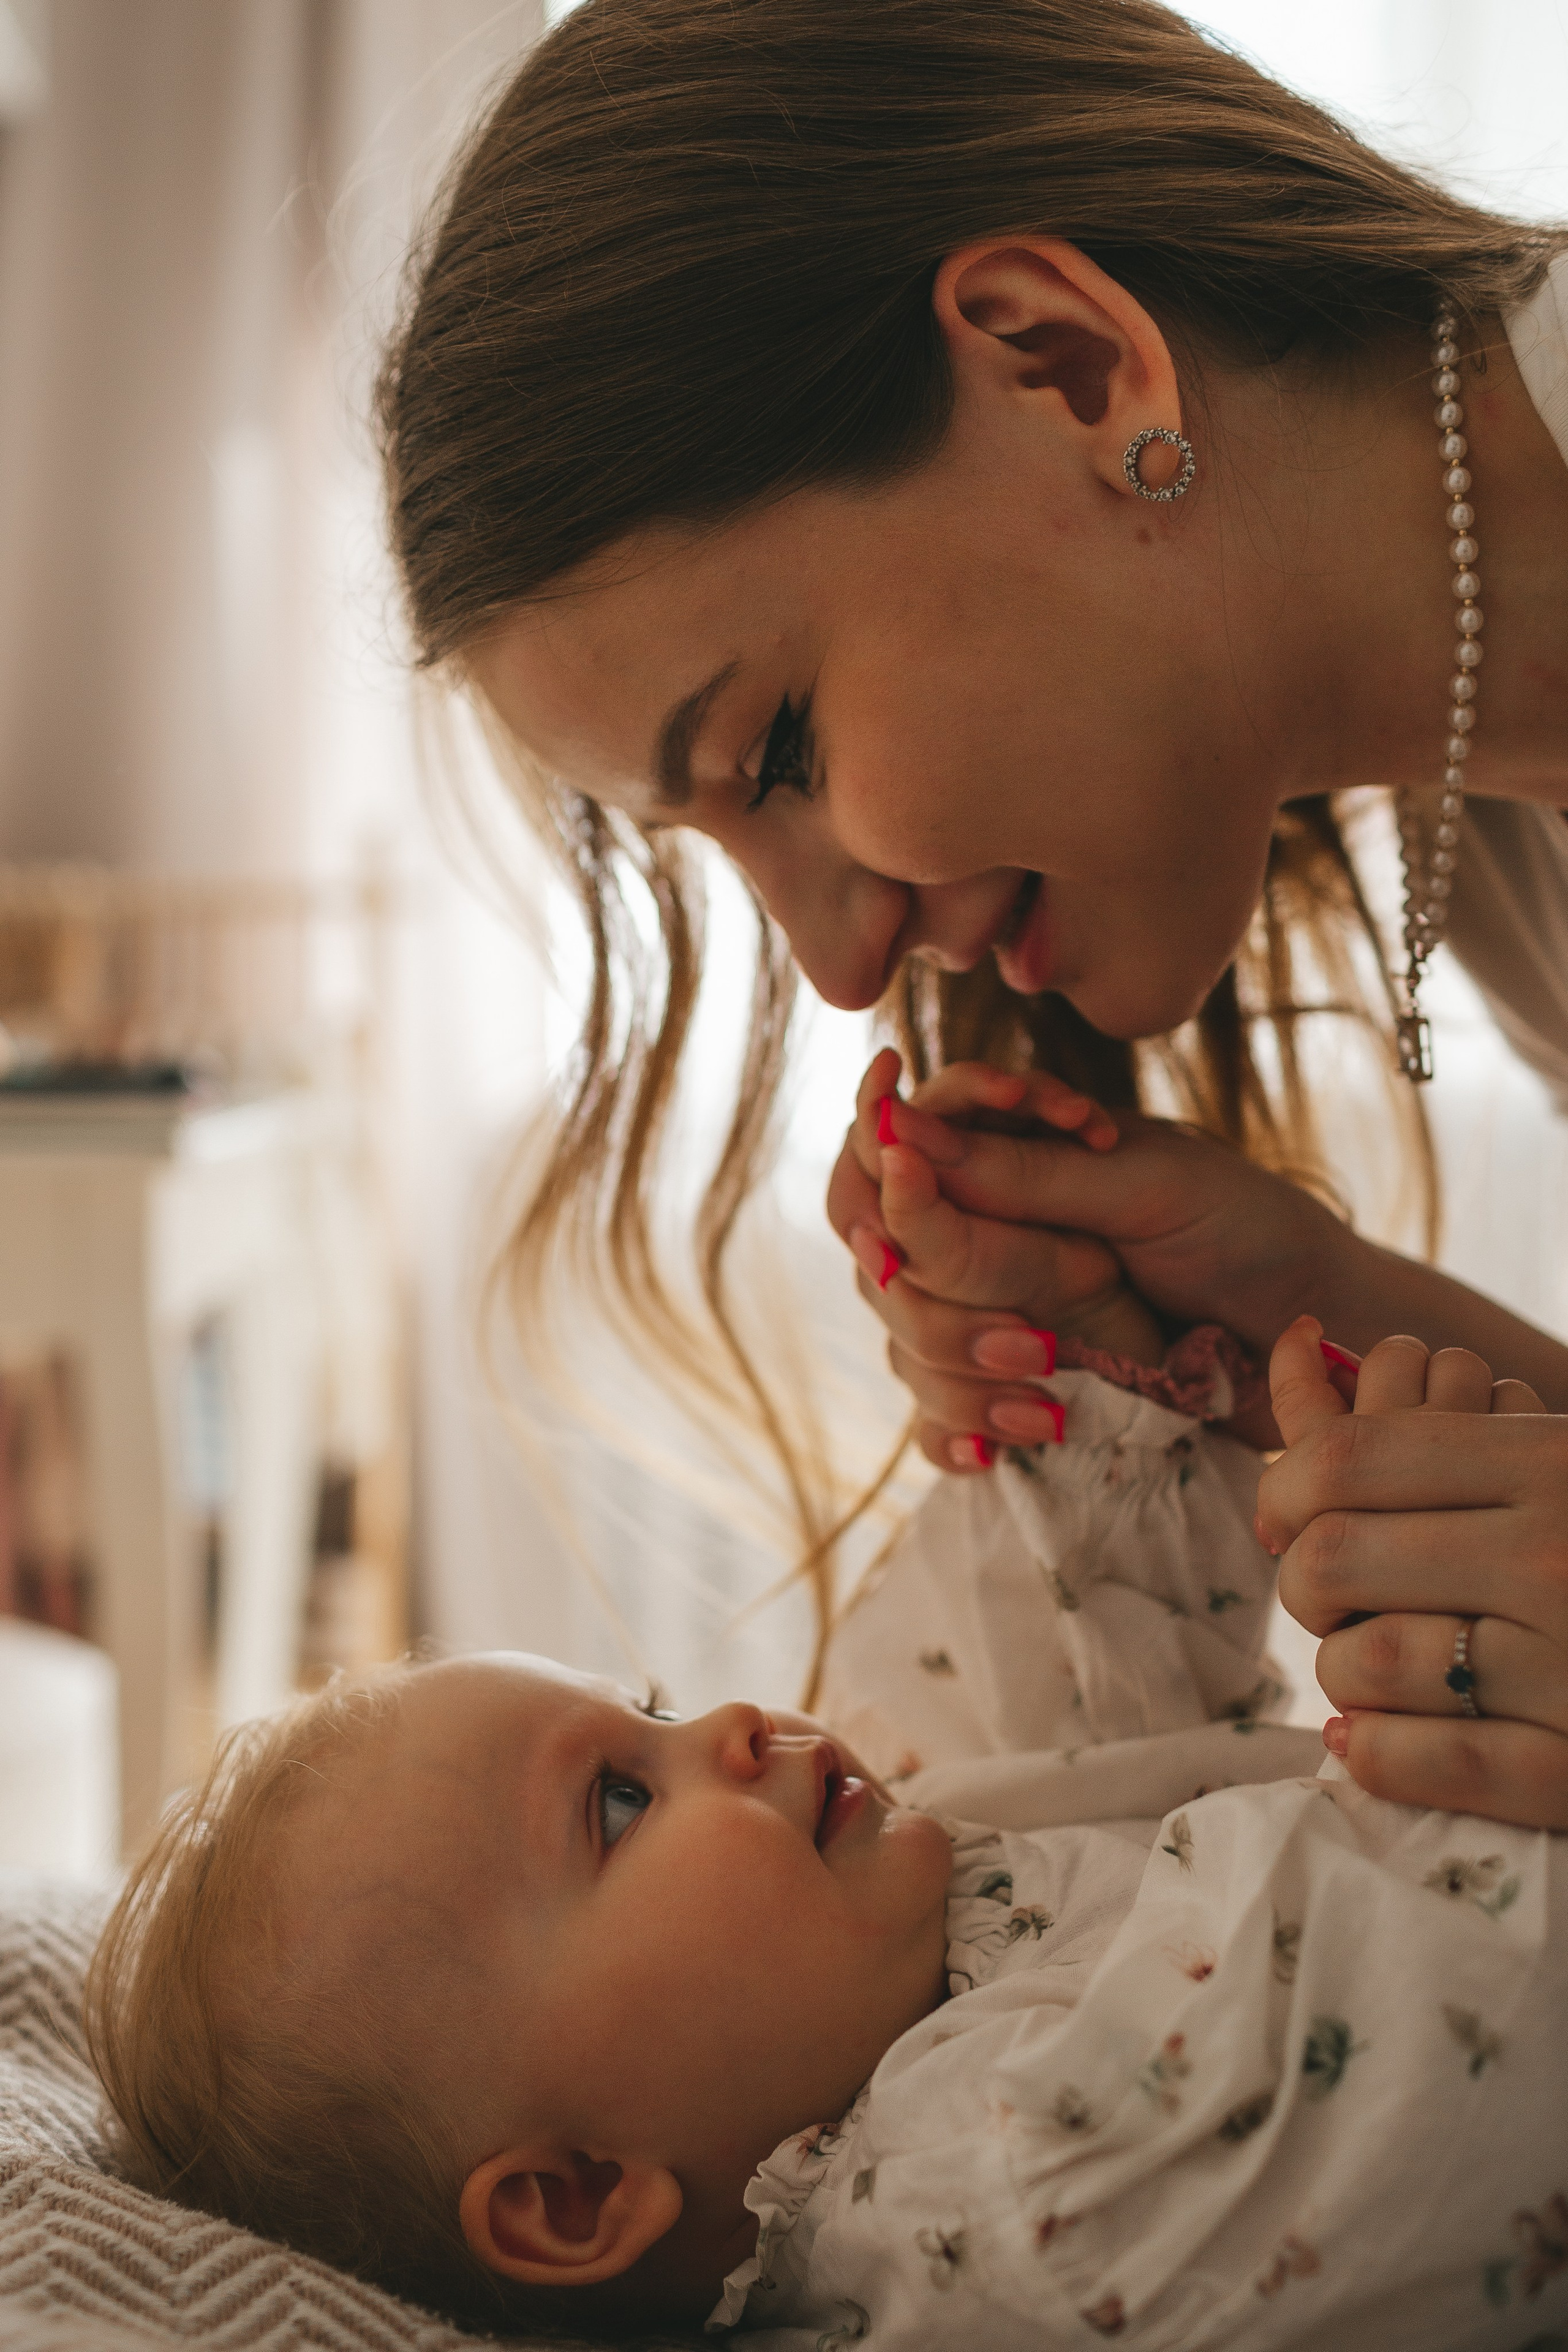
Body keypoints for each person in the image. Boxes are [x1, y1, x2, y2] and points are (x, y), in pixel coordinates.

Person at [373, 0, 1568, 1831]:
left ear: (1071, 365)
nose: (841, 968)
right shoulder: (1489, 828)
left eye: (775, 747)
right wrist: (1285, 1321)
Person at [85, 1325, 1567, 2346]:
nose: (727, 1725)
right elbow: (1458, 2037)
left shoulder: (872, 1922)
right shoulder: (1018, 2204)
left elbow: (1061, 1654)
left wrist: (1059, 1370)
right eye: (618, 1801)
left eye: (649, 1710)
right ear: (581, 2196)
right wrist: (1455, 1635)